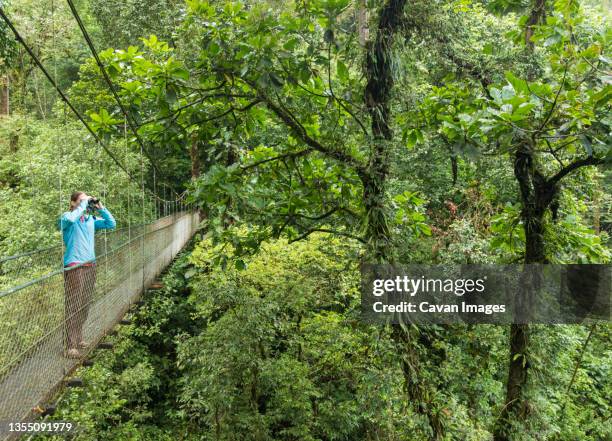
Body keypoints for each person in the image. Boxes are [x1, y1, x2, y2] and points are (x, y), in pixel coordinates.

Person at [57, 191, 116, 358]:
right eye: (82, 199)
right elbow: (67, 220)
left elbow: (111, 224)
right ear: (73, 202)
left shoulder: (90, 220)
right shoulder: (67, 217)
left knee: (84, 304)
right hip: (74, 265)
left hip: (91, 264)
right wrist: (82, 205)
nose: (86, 202)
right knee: (74, 304)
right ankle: (70, 346)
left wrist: (101, 207)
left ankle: (78, 338)